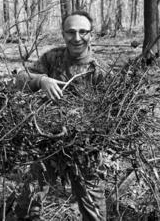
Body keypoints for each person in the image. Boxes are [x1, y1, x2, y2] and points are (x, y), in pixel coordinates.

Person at [14, 11, 107, 221]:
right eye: (71, 32)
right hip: (48, 140)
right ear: (63, 34)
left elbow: (109, 116)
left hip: (85, 146)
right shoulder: (52, 57)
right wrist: (41, 81)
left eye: (83, 32)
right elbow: (20, 78)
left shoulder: (99, 69)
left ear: (91, 34)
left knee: (95, 211)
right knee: (29, 201)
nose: (77, 37)